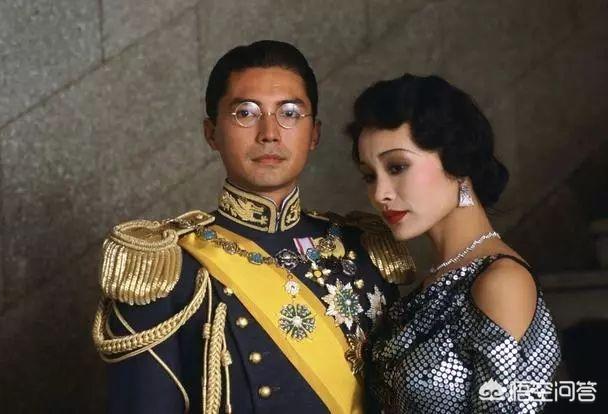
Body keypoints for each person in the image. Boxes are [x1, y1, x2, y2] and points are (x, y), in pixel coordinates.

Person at [91, 40, 415, 414]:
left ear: (314, 134)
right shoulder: (166, 268)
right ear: (211, 133)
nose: (269, 133)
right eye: (245, 112)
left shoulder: (365, 249)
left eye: (290, 113)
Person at [347, 74, 561, 413]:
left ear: (457, 161)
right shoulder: (434, 285)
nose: (380, 193)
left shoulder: (501, 283)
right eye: (370, 175)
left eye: (397, 167)